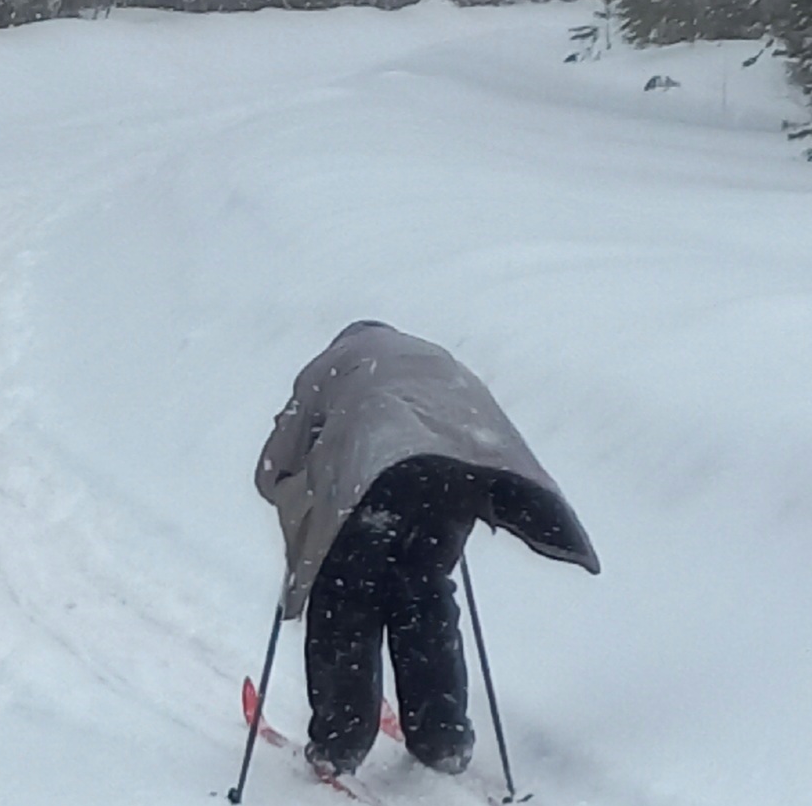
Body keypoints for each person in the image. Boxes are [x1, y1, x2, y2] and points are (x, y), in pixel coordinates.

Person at [254, 321, 598, 778]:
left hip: (378, 475)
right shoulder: (437, 360)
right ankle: (441, 737)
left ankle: (341, 740)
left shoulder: (332, 366)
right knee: (423, 590)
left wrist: (293, 492)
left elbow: (276, 461)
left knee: (346, 596)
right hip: (460, 475)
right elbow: (476, 424)